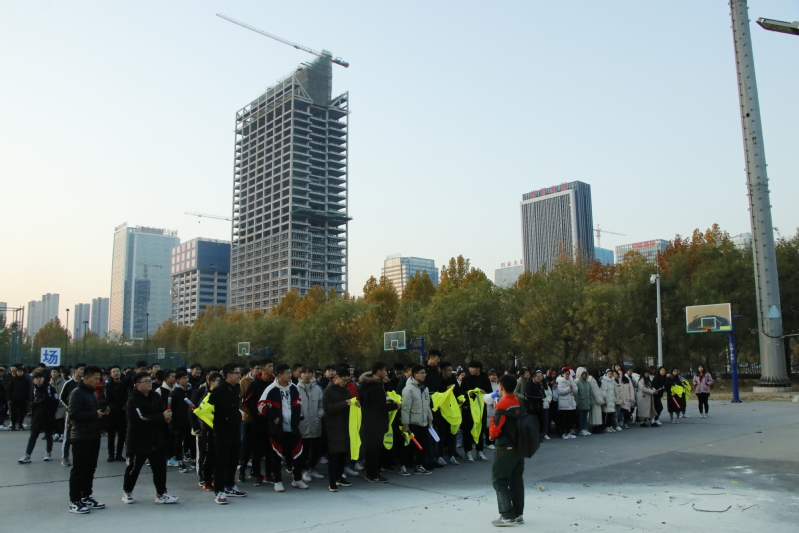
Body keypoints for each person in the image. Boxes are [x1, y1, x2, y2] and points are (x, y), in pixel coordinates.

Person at [122, 371, 179, 505]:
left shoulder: (155, 395)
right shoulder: (133, 400)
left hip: (156, 438)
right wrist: (161, 417)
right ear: (137, 385)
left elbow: (162, 411)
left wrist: (166, 417)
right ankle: (127, 491)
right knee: (134, 468)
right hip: (138, 439)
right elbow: (141, 418)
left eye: (150, 381)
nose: (149, 384)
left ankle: (161, 493)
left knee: (160, 468)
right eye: (146, 382)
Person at [258, 363, 307, 492]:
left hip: (293, 428)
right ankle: (278, 481)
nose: (290, 375)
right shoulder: (271, 389)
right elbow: (261, 405)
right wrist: (273, 417)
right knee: (276, 456)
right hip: (277, 429)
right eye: (287, 373)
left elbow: (298, 403)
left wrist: (297, 419)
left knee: (298, 454)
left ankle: (297, 479)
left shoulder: (294, 388)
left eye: (290, 373)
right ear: (280, 375)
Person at [67, 366, 109, 514]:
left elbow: (92, 412)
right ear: (86, 378)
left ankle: (86, 496)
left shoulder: (91, 393)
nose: (98, 382)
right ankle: (74, 501)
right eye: (95, 379)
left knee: (90, 468)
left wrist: (102, 413)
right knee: (79, 469)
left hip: (93, 435)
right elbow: (73, 414)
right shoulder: (77, 393)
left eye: (99, 379)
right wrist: (95, 415)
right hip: (81, 436)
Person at [489, 374, 526, 527]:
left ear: (501, 387)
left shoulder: (503, 404)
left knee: (500, 480)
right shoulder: (519, 402)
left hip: (505, 447)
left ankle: (506, 515)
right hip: (520, 447)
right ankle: (518, 514)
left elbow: (495, 429)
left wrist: (491, 434)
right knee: (517, 480)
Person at [208, 363, 247, 504]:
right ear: (228, 375)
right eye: (236, 373)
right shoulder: (220, 390)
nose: (239, 375)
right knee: (221, 460)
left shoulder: (235, 388)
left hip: (234, 427)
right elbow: (209, 405)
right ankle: (219, 491)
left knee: (234, 458)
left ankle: (230, 485)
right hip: (222, 430)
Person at [359, 361, 399, 483]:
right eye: (384, 370)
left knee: (372, 449)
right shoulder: (375, 387)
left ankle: (372, 472)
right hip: (375, 422)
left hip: (369, 420)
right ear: (378, 371)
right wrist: (395, 406)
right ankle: (372, 474)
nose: (386, 373)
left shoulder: (367, 384)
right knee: (374, 449)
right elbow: (379, 406)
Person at [322, 366, 355, 492]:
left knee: (343, 455)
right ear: (337, 377)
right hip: (333, 427)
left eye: (348, 380)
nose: (345, 383)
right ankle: (332, 482)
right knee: (334, 456)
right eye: (344, 380)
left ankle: (339, 477)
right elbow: (328, 408)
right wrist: (345, 403)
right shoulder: (328, 391)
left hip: (344, 426)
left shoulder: (345, 390)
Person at [242, 360, 275, 486]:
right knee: (257, 448)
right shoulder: (254, 384)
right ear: (263, 368)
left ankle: (269, 473)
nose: (272, 368)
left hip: (271, 420)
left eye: (272, 366)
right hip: (257, 420)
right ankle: (256, 473)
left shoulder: (274, 383)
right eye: (269, 366)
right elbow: (246, 401)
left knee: (270, 448)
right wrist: (256, 411)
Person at [401, 364, 434, 475]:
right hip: (412, 422)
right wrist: (405, 424)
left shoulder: (425, 388)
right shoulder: (408, 389)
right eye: (422, 373)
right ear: (415, 375)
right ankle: (403, 466)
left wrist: (430, 420)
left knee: (424, 444)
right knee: (409, 446)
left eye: (425, 373)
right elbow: (405, 408)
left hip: (423, 422)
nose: (424, 375)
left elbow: (427, 405)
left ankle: (419, 465)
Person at [19, 371, 59, 463]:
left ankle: (48, 453)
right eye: (37, 378)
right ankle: (27, 455)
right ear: (34, 380)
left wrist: (44, 403)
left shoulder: (50, 389)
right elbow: (31, 403)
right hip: (37, 417)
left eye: (40, 378)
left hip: (48, 416)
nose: (39, 380)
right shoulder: (34, 389)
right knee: (33, 436)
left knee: (48, 436)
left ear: (44, 379)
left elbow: (56, 402)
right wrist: (34, 404)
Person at [297, 366, 325, 482]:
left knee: (316, 449)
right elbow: (293, 406)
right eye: (304, 373)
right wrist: (299, 417)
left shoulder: (317, 389)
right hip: (302, 424)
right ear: (300, 374)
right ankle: (303, 470)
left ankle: (312, 469)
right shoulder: (295, 389)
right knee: (304, 450)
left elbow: (322, 405)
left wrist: (319, 415)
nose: (307, 375)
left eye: (309, 373)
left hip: (315, 423)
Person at [460, 361, 492, 462]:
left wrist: (484, 392)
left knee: (480, 429)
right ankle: (468, 451)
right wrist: (468, 393)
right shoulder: (466, 379)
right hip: (469, 408)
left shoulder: (485, 378)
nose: (470, 370)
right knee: (468, 429)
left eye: (472, 368)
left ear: (478, 369)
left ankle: (480, 451)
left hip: (481, 408)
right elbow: (461, 392)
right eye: (470, 368)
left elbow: (490, 392)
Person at [168, 370, 195, 473]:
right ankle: (179, 462)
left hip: (190, 421)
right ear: (178, 380)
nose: (186, 380)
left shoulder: (191, 391)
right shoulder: (174, 393)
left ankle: (193, 460)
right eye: (183, 378)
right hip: (178, 422)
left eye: (187, 378)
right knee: (178, 443)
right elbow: (170, 409)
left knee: (192, 442)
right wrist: (172, 423)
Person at [103, 365, 126, 462]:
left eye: (117, 371)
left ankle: (119, 454)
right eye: (114, 372)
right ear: (111, 374)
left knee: (122, 435)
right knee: (111, 435)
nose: (116, 373)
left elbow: (126, 397)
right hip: (112, 412)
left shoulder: (124, 384)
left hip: (123, 412)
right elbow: (109, 398)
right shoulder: (108, 385)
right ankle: (111, 454)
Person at [524, 370, 551, 441]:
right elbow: (528, 394)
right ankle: (531, 437)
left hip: (539, 406)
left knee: (538, 422)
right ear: (533, 377)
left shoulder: (539, 384)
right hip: (531, 406)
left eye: (540, 376)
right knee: (532, 422)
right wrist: (539, 396)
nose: (539, 378)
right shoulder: (529, 384)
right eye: (537, 376)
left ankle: (538, 436)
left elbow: (543, 394)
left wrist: (541, 396)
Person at [8, 365, 31, 431]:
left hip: (23, 399)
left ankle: (20, 425)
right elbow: (9, 389)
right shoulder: (13, 379)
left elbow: (28, 390)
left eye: (21, 371)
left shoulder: (26, 380)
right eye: (18, 372)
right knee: (13, 412)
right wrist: (9, 398)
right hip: (13, 398)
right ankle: (13, 425)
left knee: (21, 413)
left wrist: (27, 399)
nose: (19, 373)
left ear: (23, 372)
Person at [556, 367, 577, 439]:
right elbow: (560, 392)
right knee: (563, 419)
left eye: (568, 374)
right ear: (562, 374)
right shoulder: (560, 381)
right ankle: (563, 433)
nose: (567, 376)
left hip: (571, 402)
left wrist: (572, 387)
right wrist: (568, 388)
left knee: (570, 419)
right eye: (566, 374)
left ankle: (568, 432)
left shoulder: (571, 380)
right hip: (564, 403)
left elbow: (576, 390)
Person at [600, 369, 617, 433]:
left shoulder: (612, 381)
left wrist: (614, 399)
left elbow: (613, 391)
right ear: (606, 374)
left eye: (611, 374)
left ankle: (610, 425)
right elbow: (603, 391)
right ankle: (606, 426)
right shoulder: (604, 381)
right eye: (608, 374)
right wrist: (604, 399)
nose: (610, 375)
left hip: (611, 399)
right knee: (606, 414)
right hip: (607, 399)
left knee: (611, 414)